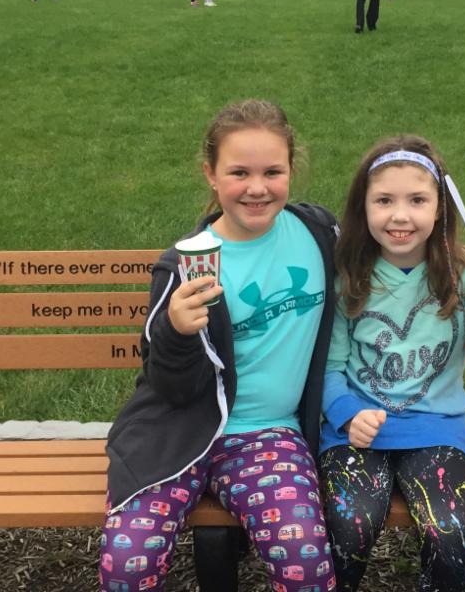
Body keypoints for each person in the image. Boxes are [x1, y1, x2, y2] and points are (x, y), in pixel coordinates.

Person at [101, 99, 339, 592]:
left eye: (272, 171)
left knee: (304, 560)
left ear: (291, 170)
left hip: (269, 434)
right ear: (211, 174)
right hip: (178, 435)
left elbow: (396, 241)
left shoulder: (320, 235)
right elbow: (168, 385)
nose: (257, 188)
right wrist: (177, 331)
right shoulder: (183, 265)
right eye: (239, 173)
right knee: (127, 565)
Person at [318, 134, 465, 591]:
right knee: (350, 527)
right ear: (363, 208)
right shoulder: (346, 277)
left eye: (417, 200)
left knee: (446, 534)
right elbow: (329, 370)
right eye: (384, 200)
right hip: (355, 434)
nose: (400, 215)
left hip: (437, 432)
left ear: (440, 209)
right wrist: (347, 413)